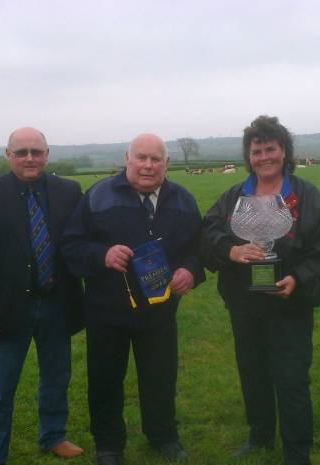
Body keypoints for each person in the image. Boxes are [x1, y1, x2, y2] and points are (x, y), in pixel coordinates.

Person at [201, 116, 320, 465]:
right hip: (245, 306)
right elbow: (207, 232)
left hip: (289, 308)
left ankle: (296, 451)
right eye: (257, 150)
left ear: (284, 152)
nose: (264, 156)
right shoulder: (234, 197)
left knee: (291, 379)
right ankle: (260, 436)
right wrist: (230, 250)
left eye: (271, 149)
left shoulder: (306, 197)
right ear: (249, 156)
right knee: (252, 373)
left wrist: (298, 279)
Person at [61, 133, 205, 465]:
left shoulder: (182, 200)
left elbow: (199, 248)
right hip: (107, 312)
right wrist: (102, 254)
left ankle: (163, 436)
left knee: (160, 377)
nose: (148, 165)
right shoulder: (98, 196)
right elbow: (71, 245)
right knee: (105, 379)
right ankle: (109, 445)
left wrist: (191, 271)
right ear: (127, 159)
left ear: (166, 164)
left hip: (159, 313)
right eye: (141, 157)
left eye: (156, 159)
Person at [0, 127, 85, 465]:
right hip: (7, 310)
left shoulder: (69, 191)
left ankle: (53, 436)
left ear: (47, 154)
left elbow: (80, 244)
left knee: (57, 379)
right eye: (21, 152)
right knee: (0, 392)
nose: (29, 158)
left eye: (36, 151)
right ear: (8, 155)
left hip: (57, 305)